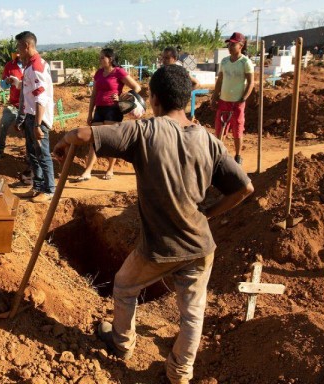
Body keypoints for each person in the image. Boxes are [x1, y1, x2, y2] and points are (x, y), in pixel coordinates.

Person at [53, 65, 254, 384]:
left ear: (155, 98)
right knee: (192, 314)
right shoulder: (209, 140)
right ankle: (180, 374)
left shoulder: (145, 131)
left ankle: (122, 343)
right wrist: (211, 213)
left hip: (159, 248)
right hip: (200, 245)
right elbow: (244, 188)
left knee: (124, 286)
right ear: (186, 99)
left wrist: (64, 140)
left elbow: (83, 134)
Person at [74, 48, 141, 182]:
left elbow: (137, 87)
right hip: (99, 109)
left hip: (113, 109)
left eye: (102, 57)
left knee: (111, 140)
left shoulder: (118, 72)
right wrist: (89, 113)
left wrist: (123, 96)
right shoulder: (98, 73)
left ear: (110, 59)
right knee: (94, 139)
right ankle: (88, 171)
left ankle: (110, 169)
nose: (99, 60)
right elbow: (94, 95)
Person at [15, 31, 55, 203]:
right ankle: (37, 187)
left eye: (18, 47)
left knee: (43, 155)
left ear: (26, 46)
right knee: (33, 155)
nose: (17, 51)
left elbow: (41, 98)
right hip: (31, 117)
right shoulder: (30, 66)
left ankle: (49, 190)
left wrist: (38, 125)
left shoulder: (36, 67)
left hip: (39, 119)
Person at [210, 32, 254, 165]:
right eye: (229, 44)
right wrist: (215, 96)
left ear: (241, 45)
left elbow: (251, 82)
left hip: (238, 102)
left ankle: (238, 156)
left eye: (233, 44)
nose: (230, 46)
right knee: (219, 128)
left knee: (237, 128)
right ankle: (219, 154)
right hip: (224, 100)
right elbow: (220, 80)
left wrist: (243, 98)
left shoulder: (245, 62)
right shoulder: (224, 61)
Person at [0, 52, 24, 160]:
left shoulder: (30, 65)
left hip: (28, 106)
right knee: (3, 124)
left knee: (30, 128)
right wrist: (6, 81)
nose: (19, 56)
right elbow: (3, 84)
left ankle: (31, 155)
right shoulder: (9, 65)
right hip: (14, 104)